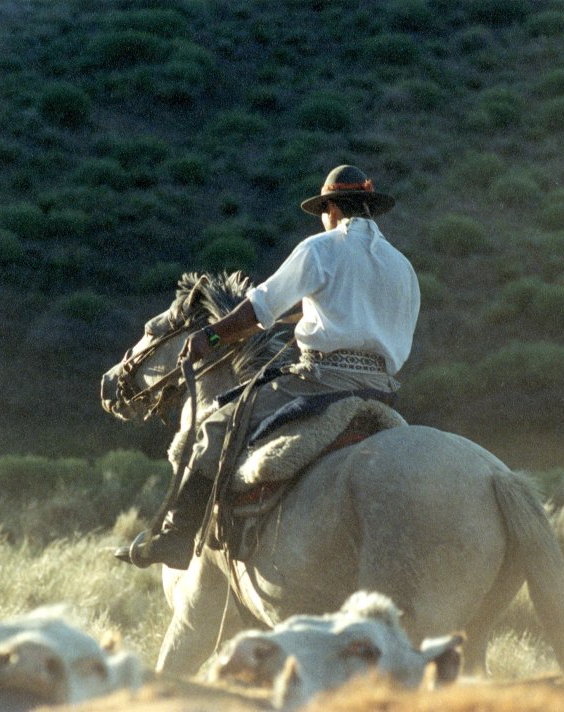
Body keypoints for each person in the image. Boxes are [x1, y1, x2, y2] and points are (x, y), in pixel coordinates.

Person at [127, 165, 421, 569]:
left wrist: (210, 337)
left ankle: (178, 537)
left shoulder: (321, 248)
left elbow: (260, 306)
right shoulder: (401, 267)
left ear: (331, 208)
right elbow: (359, 314)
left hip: (323, 380)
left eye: (323, 210)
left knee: (217, 424)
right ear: (368, 206)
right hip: (383, 387)